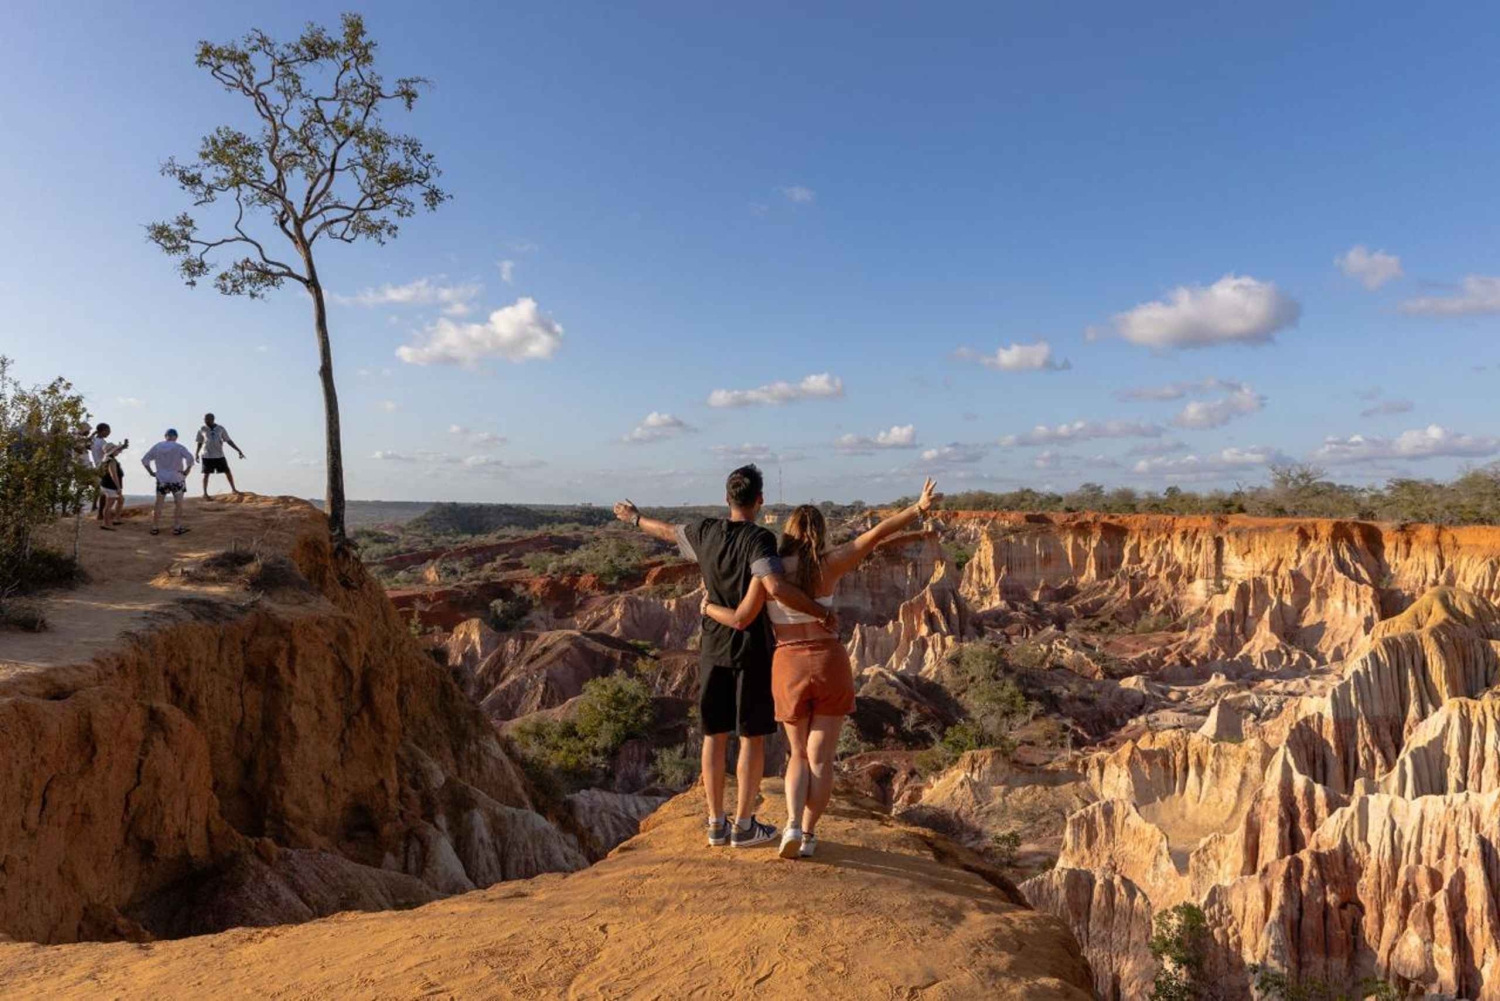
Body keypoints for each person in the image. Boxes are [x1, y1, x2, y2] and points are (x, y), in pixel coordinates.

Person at [704, 477, 941, 859]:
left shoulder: (769, 570)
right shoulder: (830, 564)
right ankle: (809, 835)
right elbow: (876, 535)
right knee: (820, 759)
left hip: (788, 663)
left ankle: (792, 825)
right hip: (829, 661)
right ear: (821, 533)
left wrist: (709, 608)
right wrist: (918, 509)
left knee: (796, 755)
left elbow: (743, 617)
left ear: (789, 532)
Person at [613, 464, 837, 850]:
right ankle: (745, 825)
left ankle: (716, 823)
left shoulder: (704, 531)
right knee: (751, 736)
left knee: (713, 735)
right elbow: (775, 586)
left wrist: (634, 518)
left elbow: (666, 532)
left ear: (727, 498)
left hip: (712, 647)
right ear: (760, 500)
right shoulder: (760, 540)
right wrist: (821, 612)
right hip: (751, 648)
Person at [141, 429, 195, 536]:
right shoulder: (179, 447)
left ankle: (155, 527)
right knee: (178, 504)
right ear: (176, 436)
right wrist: (187, 472)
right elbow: (190, 458)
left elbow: (145, 460)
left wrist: (151, 472)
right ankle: (177, 527)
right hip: (176, 478)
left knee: (159, 504)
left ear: (166, 436)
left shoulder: (157, 446)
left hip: (162, 479)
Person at [195, 413, 245, 499]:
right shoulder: (202, 429)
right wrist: (196, 454)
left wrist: (238, 450)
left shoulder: (220, 428)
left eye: (207, 419)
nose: (205, 421)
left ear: (213, 419)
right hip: (207, 455)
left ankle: (234, 489)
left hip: (219, 455)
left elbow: (228, 440)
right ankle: (205, 493)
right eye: (205, 419)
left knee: (227, 471)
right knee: (206, 474)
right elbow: (199, 442)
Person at [88, 423, 128, 521]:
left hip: (97, 465)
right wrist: (123, 446)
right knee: (105, 492)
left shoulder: (93, 441)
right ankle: (101, 514)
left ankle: (97, 510)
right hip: (104, 467)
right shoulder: (101, 442)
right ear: (103, 431)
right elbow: (109, 450)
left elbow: (89, 446)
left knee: (101, 489)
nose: (109, 433)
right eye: (108, 431)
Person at [98, 449, 126, 529]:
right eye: (116, 450)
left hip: (107, 485)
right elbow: (113, 475)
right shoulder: (111, 461)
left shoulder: (108, 460)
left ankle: (116, 519)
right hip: (111, 486)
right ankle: (106, 524)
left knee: (121, 500)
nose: (118, 451)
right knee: (109, 505)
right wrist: (118, 487)